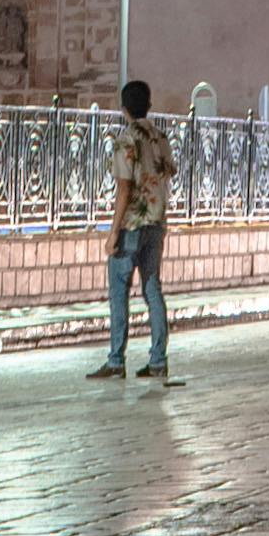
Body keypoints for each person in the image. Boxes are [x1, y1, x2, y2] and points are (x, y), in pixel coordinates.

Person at [87, 75, 176, 379]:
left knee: (119, 292)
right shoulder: (160, 139)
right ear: (148, 106)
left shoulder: (126, 140)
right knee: (153, 290)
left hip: (132, 225)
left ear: (123, 108)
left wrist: (113, 231)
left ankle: (115, 360)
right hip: (156, 223)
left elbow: (124, 189)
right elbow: (166, 175)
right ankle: (158, 360)